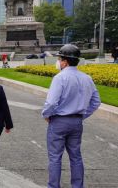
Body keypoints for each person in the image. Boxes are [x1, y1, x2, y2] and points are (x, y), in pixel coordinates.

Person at [42, 44, 101, 188]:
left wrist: (46, 115)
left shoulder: (60, 78)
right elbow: (96, 101)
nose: (59, 62)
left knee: (55, 157)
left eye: (60, 59)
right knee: (76, 157)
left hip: (59, 121)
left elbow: (51, 103)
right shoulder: (87, 78)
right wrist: (82, 115)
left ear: (65, 61)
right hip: (77, 122)